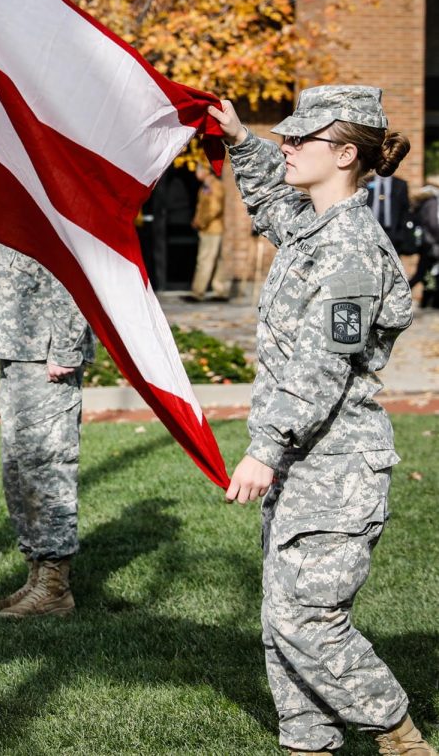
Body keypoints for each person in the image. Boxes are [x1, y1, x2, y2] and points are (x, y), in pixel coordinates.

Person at [209, 86, 437, 756]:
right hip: (304, 464)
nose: (287, 145)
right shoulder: (316, 226)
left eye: (299, 139)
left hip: (335, 464)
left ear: (342, 153)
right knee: (280, 623)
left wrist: (267, 448)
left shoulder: (354, 250)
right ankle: (308, 743)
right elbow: (271, 207)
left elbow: (322, 364)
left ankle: (398, 735)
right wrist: (240, 142)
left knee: (305, 618)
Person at [0, 245, 94, 618]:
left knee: (48, 465)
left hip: (47, 353)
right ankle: (35, 576)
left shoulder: (56, 191)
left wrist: (65, 346)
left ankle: (54, 585)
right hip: (20, 349)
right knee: (19, 467)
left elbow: (72, 264)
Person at [188, 162, 230, 301]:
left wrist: (201, 221)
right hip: (208, 228)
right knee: (214, 259)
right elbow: (203, 206)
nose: (196, 172)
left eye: (199, 169)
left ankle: (198, 292)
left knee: (205, 259)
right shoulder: (206, 186)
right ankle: (220, 291)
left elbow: (215, 208)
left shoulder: (214, 185)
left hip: (212, 229)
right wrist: (197, 219)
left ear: (207, 170)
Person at [407, 182, 439, 308]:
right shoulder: (432, 203)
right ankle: (402, 293)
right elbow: (433, 223)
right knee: (422, 273)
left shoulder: (425, 202)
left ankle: (428, 300)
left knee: (428, 273)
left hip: (426, 243)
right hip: (431, 243)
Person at [367, 172, 410, 254]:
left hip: (392, 232)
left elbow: (405, 211)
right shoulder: (367, 182)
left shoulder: (400, 184)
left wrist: (400, 234)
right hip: (371, 231)